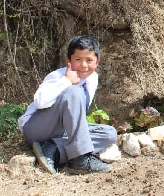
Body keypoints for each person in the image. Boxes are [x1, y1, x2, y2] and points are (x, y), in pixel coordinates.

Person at [18, 35, 117, 174]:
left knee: (109, 134)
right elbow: (40, 102)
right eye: (78, 59)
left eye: (89, 60)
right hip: (37, 129)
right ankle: (79, 159)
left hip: (60, 132)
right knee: (74, 92)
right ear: (69, 61)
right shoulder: (58, 76)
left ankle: (52, 148)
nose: (83, 65)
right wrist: (67, 81)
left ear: (97, 62)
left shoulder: (92, 78)